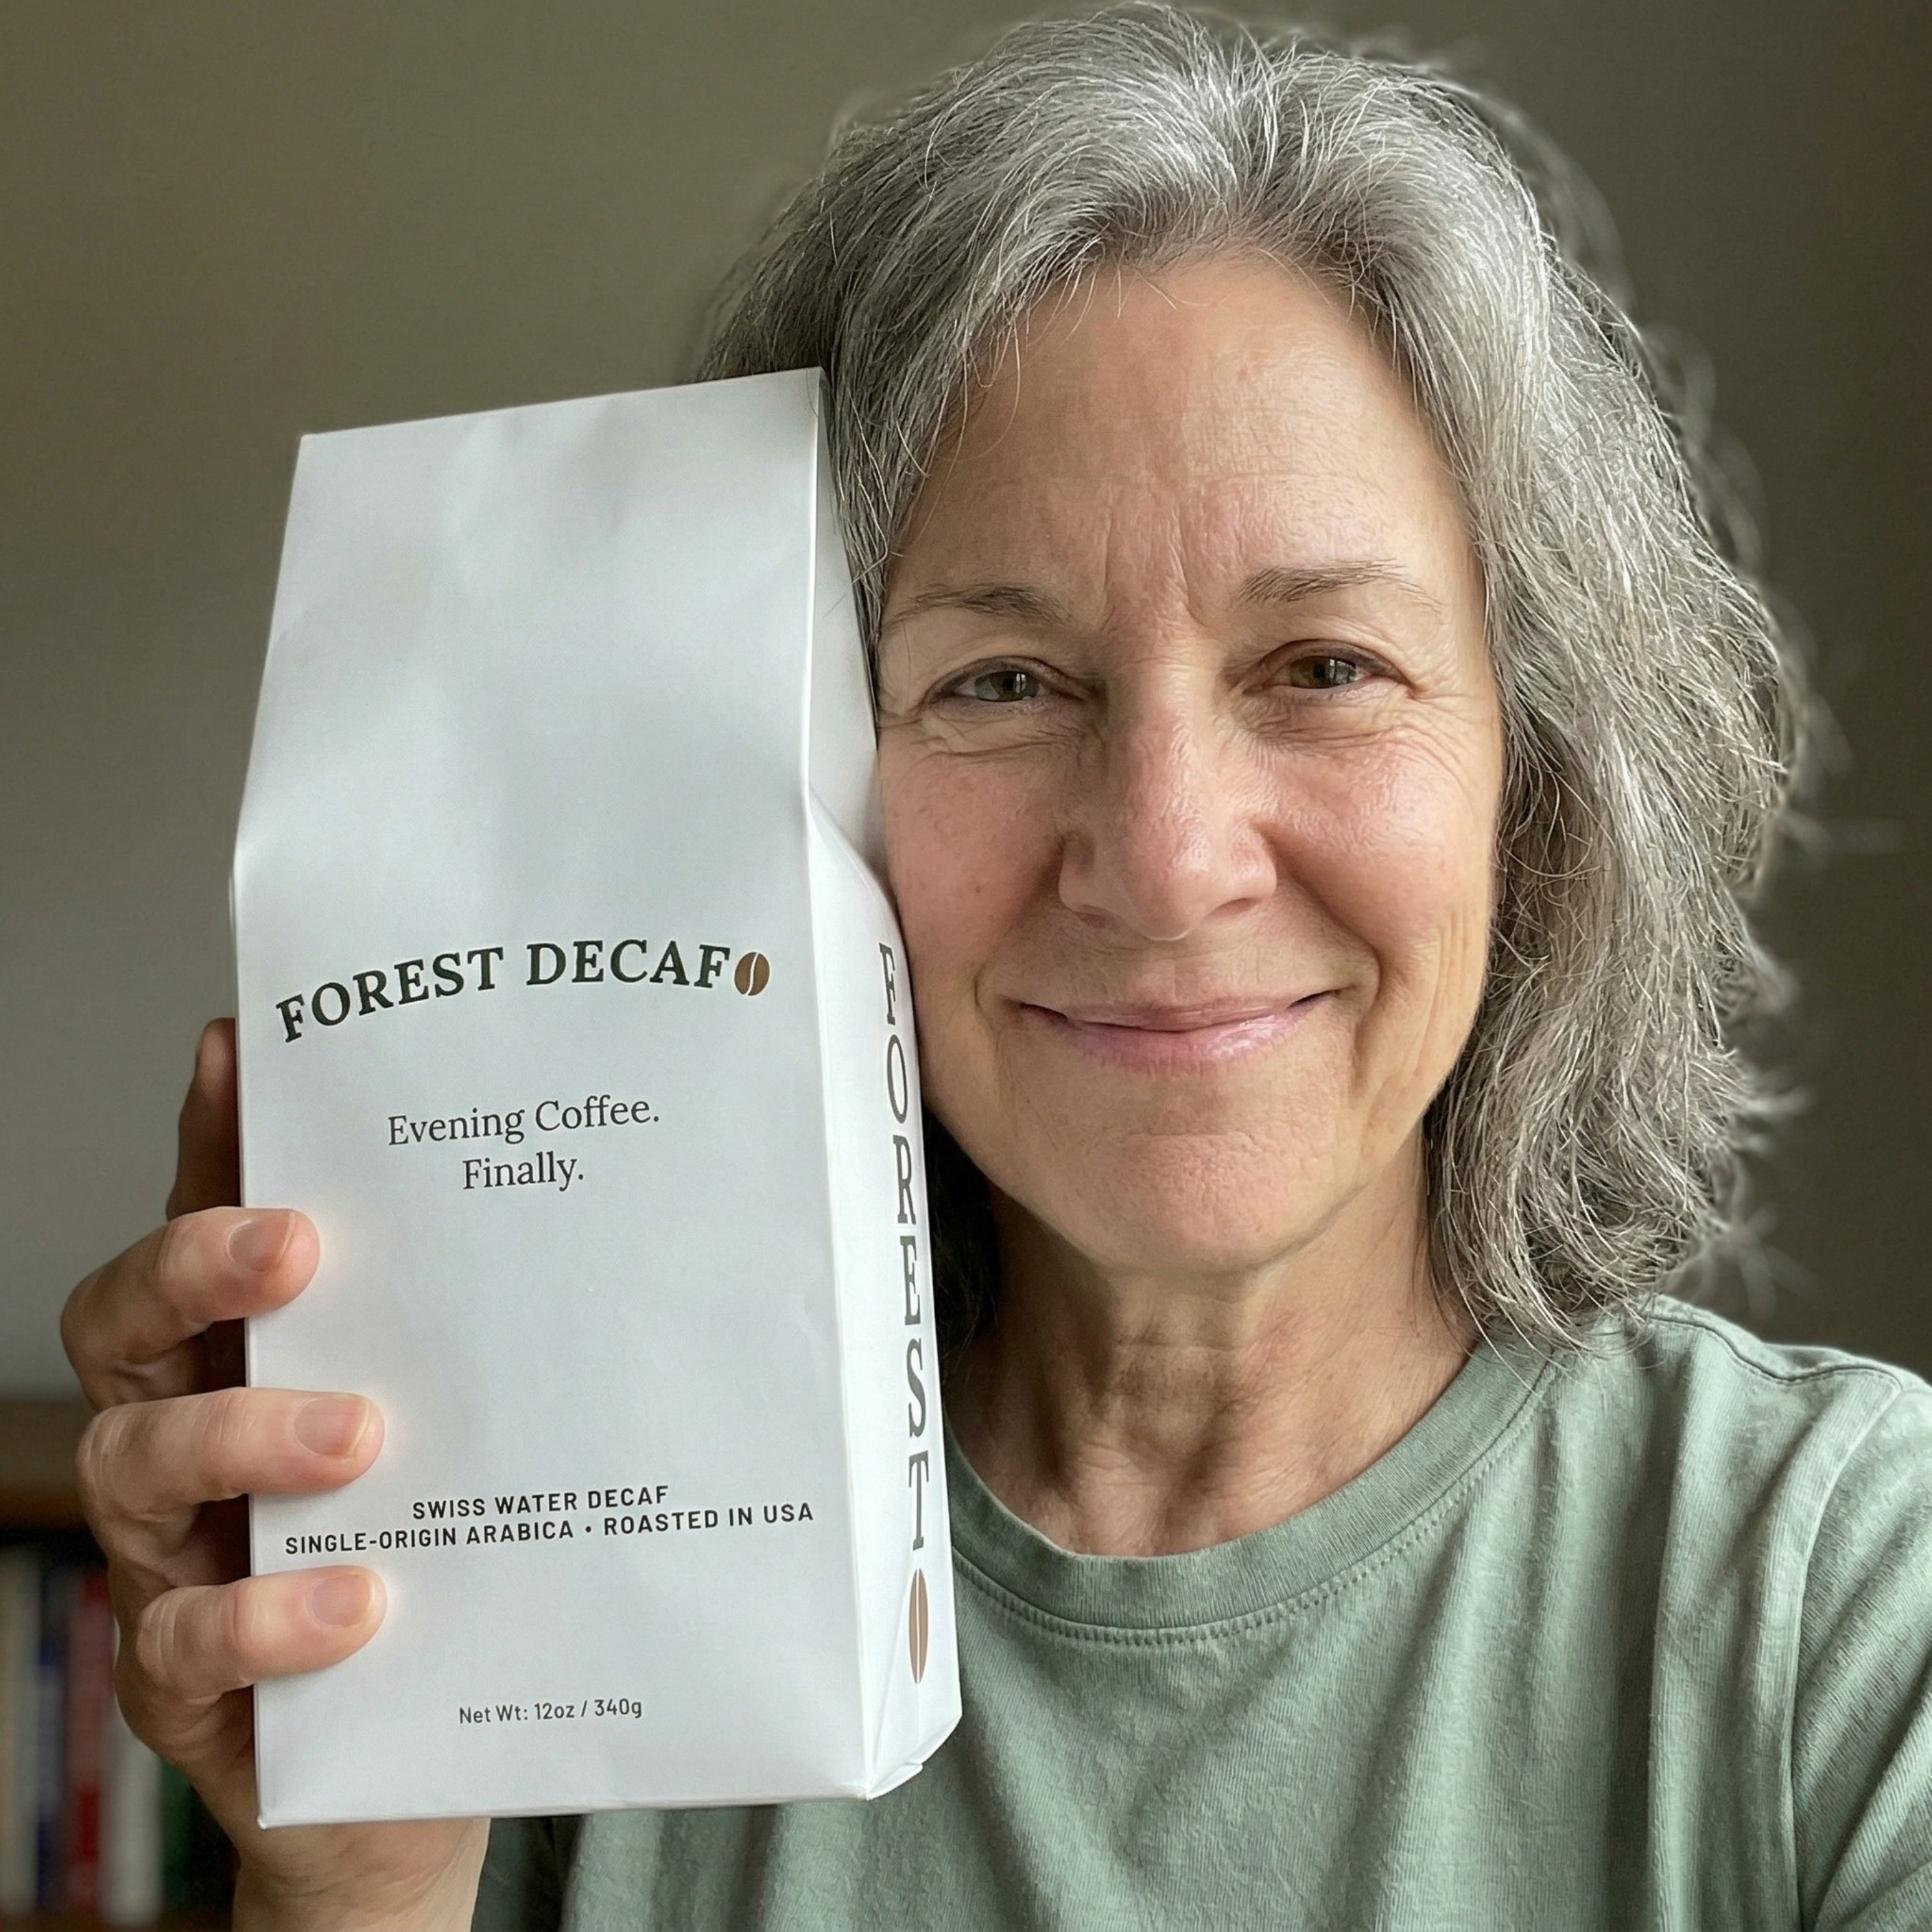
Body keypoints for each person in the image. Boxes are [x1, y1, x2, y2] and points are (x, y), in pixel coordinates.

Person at [58, 7, 1932, 1927]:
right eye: (1003, 683)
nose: (1167, 856)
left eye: (1324, 669)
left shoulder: (1847, 1591)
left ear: (1535, 791)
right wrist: (351, 1886)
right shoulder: (540, 1601)